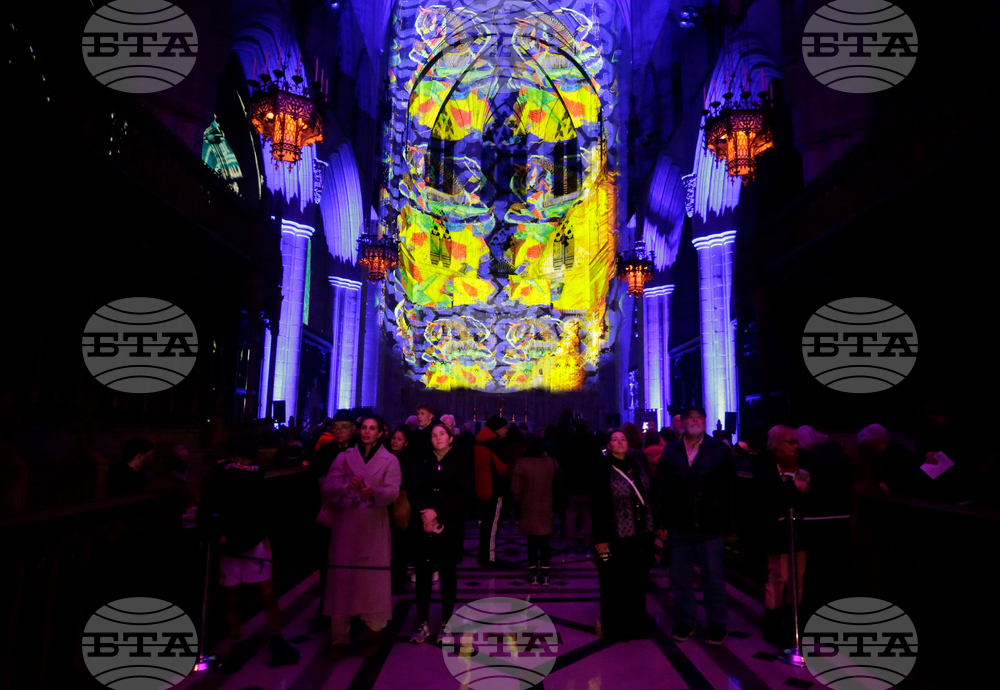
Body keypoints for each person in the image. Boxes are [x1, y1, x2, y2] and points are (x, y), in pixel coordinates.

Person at [196, 434, 300, 671]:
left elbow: (264, 510)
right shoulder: (221, 476)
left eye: (246, 458)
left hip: (252, 542)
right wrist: (218, 535)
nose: (242, 463)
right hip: (230, 542)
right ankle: (237, 645)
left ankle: (276, 640)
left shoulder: (255, 476)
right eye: (239, 458)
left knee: (266, 593)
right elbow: (208, 509)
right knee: (233, 595)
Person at [318, 415, 401, 659]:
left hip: (373, 525)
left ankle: (374, 635)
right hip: (346, 524)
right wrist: (347, 487)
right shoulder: (344, 457)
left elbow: (392, 492)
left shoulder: (390, 460)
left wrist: (373, 492)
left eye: (372, 428)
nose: (367, 432)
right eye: (364, 428)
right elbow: (328, 487)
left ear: (380, 433)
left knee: (372, 583)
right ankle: (339, 638)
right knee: (342, 581)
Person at [653, 405, 735, 645]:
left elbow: (730, 489)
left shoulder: (718, 449)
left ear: (705, 421)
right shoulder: (671, 449)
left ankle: (717, 624)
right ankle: (686, 621)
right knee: (679, 578)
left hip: (710, 524)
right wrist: (660, 521)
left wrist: (731, 525)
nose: (695, 421)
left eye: (700, 417)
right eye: (691, 418)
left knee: (713, 578)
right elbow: (660, 488)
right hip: (678, 523)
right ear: (683, 422)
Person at [408, 422, 473, 645]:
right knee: (423, 573)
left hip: (449, 523)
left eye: (442, 434)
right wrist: (426, 513)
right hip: (424, 522)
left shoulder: (461, 460)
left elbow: (462, 492)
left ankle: (446, 621)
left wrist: (438, 512)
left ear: (450, 437)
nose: (438, 438)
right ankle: (422, 622)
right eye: (434, 435)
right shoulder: (422, 459)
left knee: (447, 573)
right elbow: (414, 488)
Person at [591, 430, 656, 641]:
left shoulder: (636, 465)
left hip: (639, 534)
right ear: (609, 445)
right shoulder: (602, 468)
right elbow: (598, 505)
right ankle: (614, 625)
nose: (619, 442)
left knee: (636, 579)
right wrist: (601, 538)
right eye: (615, 440)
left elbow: (649, 495)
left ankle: (635, 623)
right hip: (613, 535)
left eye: (623, 439)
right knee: (612, 581)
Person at [752, 425, 813, 649]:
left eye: (796, 442)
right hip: (776, 530)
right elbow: (763, 497)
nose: (795, 446)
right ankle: (773, 626)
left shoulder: (804, 463)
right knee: (779, 578)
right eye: (790, 442)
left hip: (799, 529)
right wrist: (791, 487)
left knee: (798, 580)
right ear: (777, 445)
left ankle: (793, 623)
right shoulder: (764, 466)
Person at [306, 409, 357, 633]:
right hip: (331, 511)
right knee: (328, 563)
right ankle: (327, 611)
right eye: (335, 427)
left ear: (353, 430)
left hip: (354, 513)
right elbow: (318, 479)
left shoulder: (360, 450)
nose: (339, 431)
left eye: (344, 427)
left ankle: (354, 612)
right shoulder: (325, 452)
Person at [512, 434, 564, 586]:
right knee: (545, 541)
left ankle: (533, 572)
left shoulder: (522, 463)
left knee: (532, 541)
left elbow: (515, 489)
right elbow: (560, 483)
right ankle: (546, 572)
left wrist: (520, 501)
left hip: (529, 506)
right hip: (547, 505)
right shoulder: (551, 462)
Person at [475, 416, 512, 565]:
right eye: (504, 428)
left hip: (482, 487)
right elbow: (503, 468)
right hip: (495, 488)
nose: (506, 431)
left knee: (485, 524)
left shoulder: (479, 440)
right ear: (498, 429)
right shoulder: (495, 443)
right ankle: (490, 558)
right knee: (493, 525)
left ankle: (483, 555)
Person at [388, 425, 416, 593]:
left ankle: (397, 581)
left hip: (400, 503)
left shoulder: (406, 460)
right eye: (394, 438)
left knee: (399, 545)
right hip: (387, 505)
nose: (395, 442)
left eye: (399, 439)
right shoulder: (387, 456)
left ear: (406, 443)